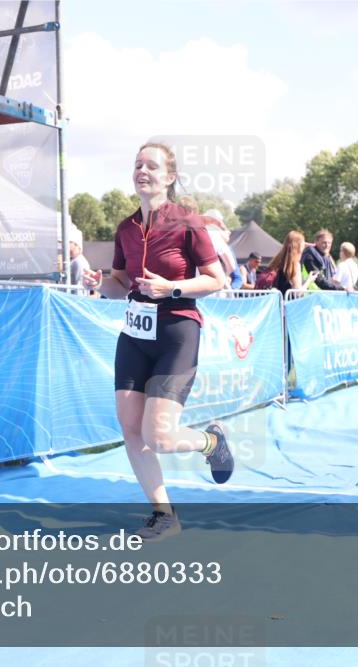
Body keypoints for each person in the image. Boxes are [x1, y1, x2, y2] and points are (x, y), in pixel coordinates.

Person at [81, 142, 234, 540]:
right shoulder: (126, 229)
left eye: (152, 165)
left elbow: (217, 279)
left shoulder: (188, 222)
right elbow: (120, 284)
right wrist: (99, 283)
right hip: (135, 335)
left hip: (176, 333)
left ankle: (211, 441)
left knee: (160, 436)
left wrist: (172, 288)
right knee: (131, 429)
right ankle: (163, 514)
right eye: (137, 164)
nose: (142, 171)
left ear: (169, 176)